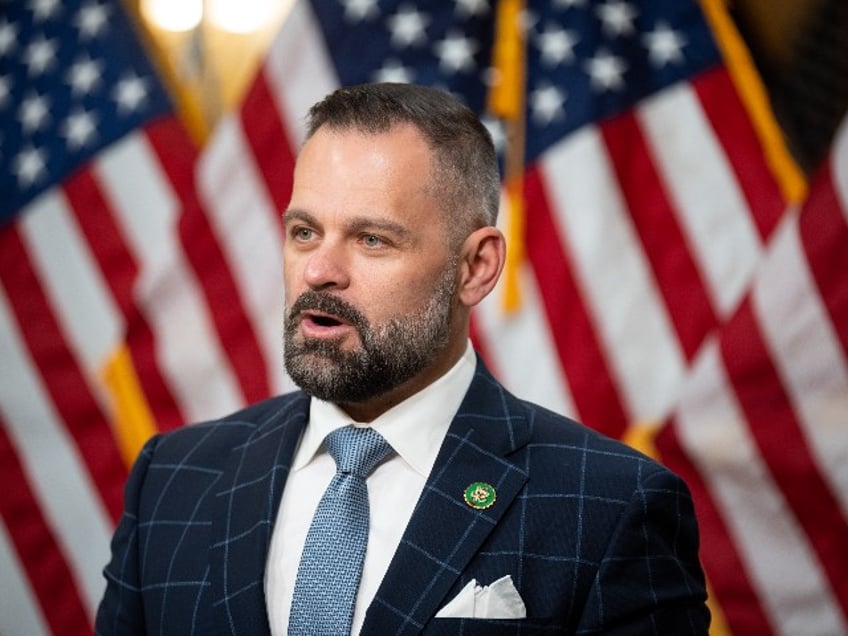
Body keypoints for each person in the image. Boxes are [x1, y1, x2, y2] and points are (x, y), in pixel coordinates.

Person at [96, 82, 710, 635]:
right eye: (304, 231)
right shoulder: (172, 481)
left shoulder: (610, 508)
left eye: (371, 239)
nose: (319, 271)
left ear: (476, 267)